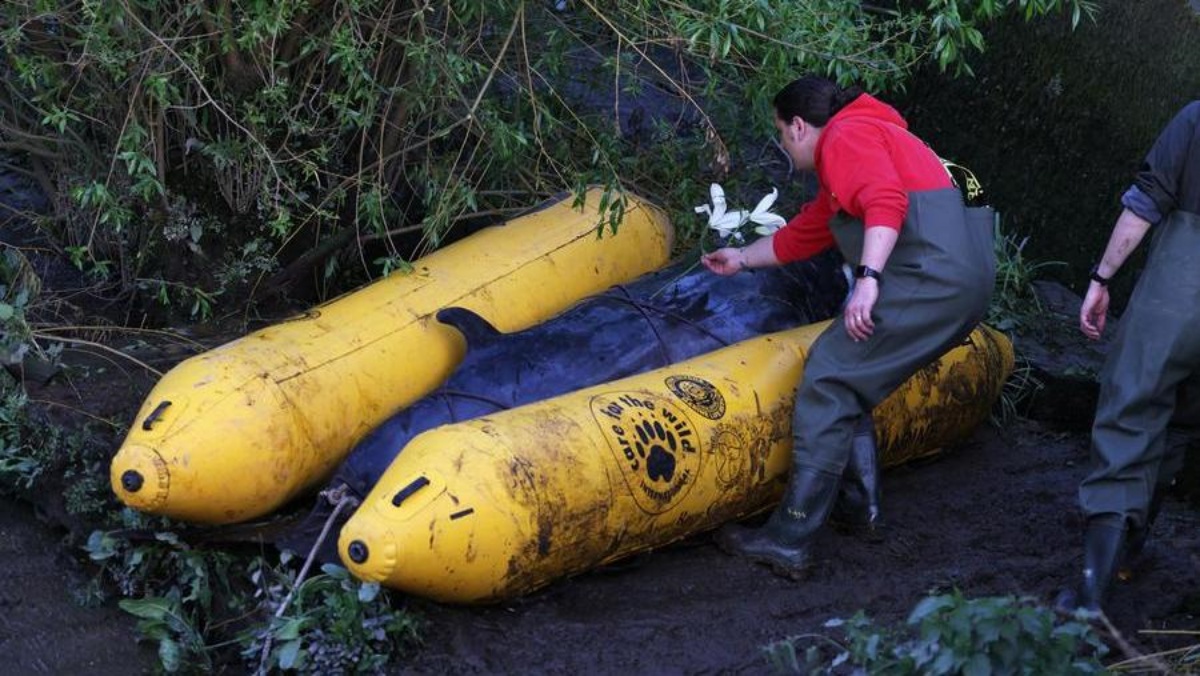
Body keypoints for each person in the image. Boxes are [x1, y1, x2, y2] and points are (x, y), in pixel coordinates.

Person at [701, 75, 995, 579]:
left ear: (799, 124)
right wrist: (742, 258)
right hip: (961, 278)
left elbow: (886, 202)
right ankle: (861, 509)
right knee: (851, 375)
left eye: (781, 132)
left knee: (831, 375)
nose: (783, 146)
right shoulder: (869, 138)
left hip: (929, 277)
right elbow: (807, 233)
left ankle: (790, 538)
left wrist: (868, 281)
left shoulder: (845, 136)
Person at [1065, 100, 1200, 612]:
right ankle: (1134, 549)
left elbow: (1145, 201)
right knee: (1181, 425)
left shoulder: (1194, 119)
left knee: (1131, 419)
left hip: (1177, 301)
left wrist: (1102, 279)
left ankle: (1091, 593)